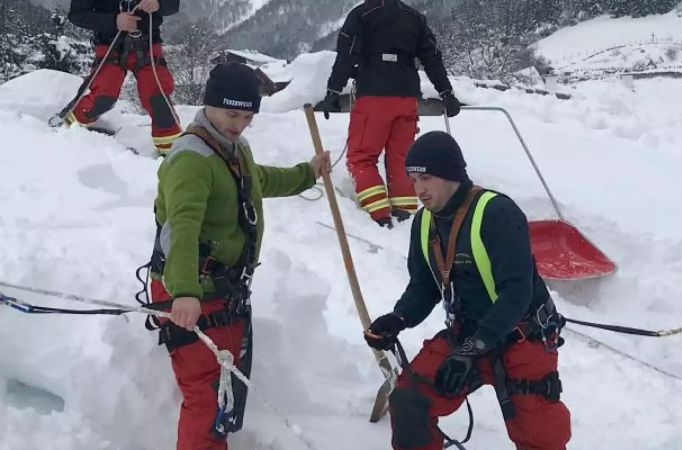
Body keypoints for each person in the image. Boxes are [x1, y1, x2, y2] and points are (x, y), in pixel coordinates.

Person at [146, 62, 331, 449]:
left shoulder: (232, 148)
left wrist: (307, 173)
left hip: (222, 292)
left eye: (247, 116)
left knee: (224, 390)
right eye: (232, 114)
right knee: (207, 394)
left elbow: (258, 180)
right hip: (190, 291)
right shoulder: (191, 160)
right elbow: (180, 227)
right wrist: (184, 291)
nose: (239, 124)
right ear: (210, 105)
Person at [364, 131, 571, 450]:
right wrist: (399, 318)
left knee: (540, 437)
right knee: (408, 401)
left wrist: (473, 348)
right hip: (467, 334)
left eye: (426, 178)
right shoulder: (424, 223)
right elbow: (424, 286)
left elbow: (516, 293)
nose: (418, 190)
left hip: (522, 335)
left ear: (450, 175)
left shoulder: (497, 213)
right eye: (413, 179)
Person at [317, 0, 462, 229]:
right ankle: (405, 214)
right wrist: (446, 93)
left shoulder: (362, 14)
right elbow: (432, 58)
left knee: (361, 158)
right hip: (407, 97)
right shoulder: (415, 17)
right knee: (401, 158)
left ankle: (379, 216)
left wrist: (333, 92)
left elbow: (346, 56)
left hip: (374, 96)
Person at [67, 0, 182, 155]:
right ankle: (69, 129)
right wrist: (114, 21)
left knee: (157, 98)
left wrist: (158, 4)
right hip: (110, 44)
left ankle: (173, 151)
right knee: (103, 97)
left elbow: (172, 4)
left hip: (146, 42)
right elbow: (77, 14)